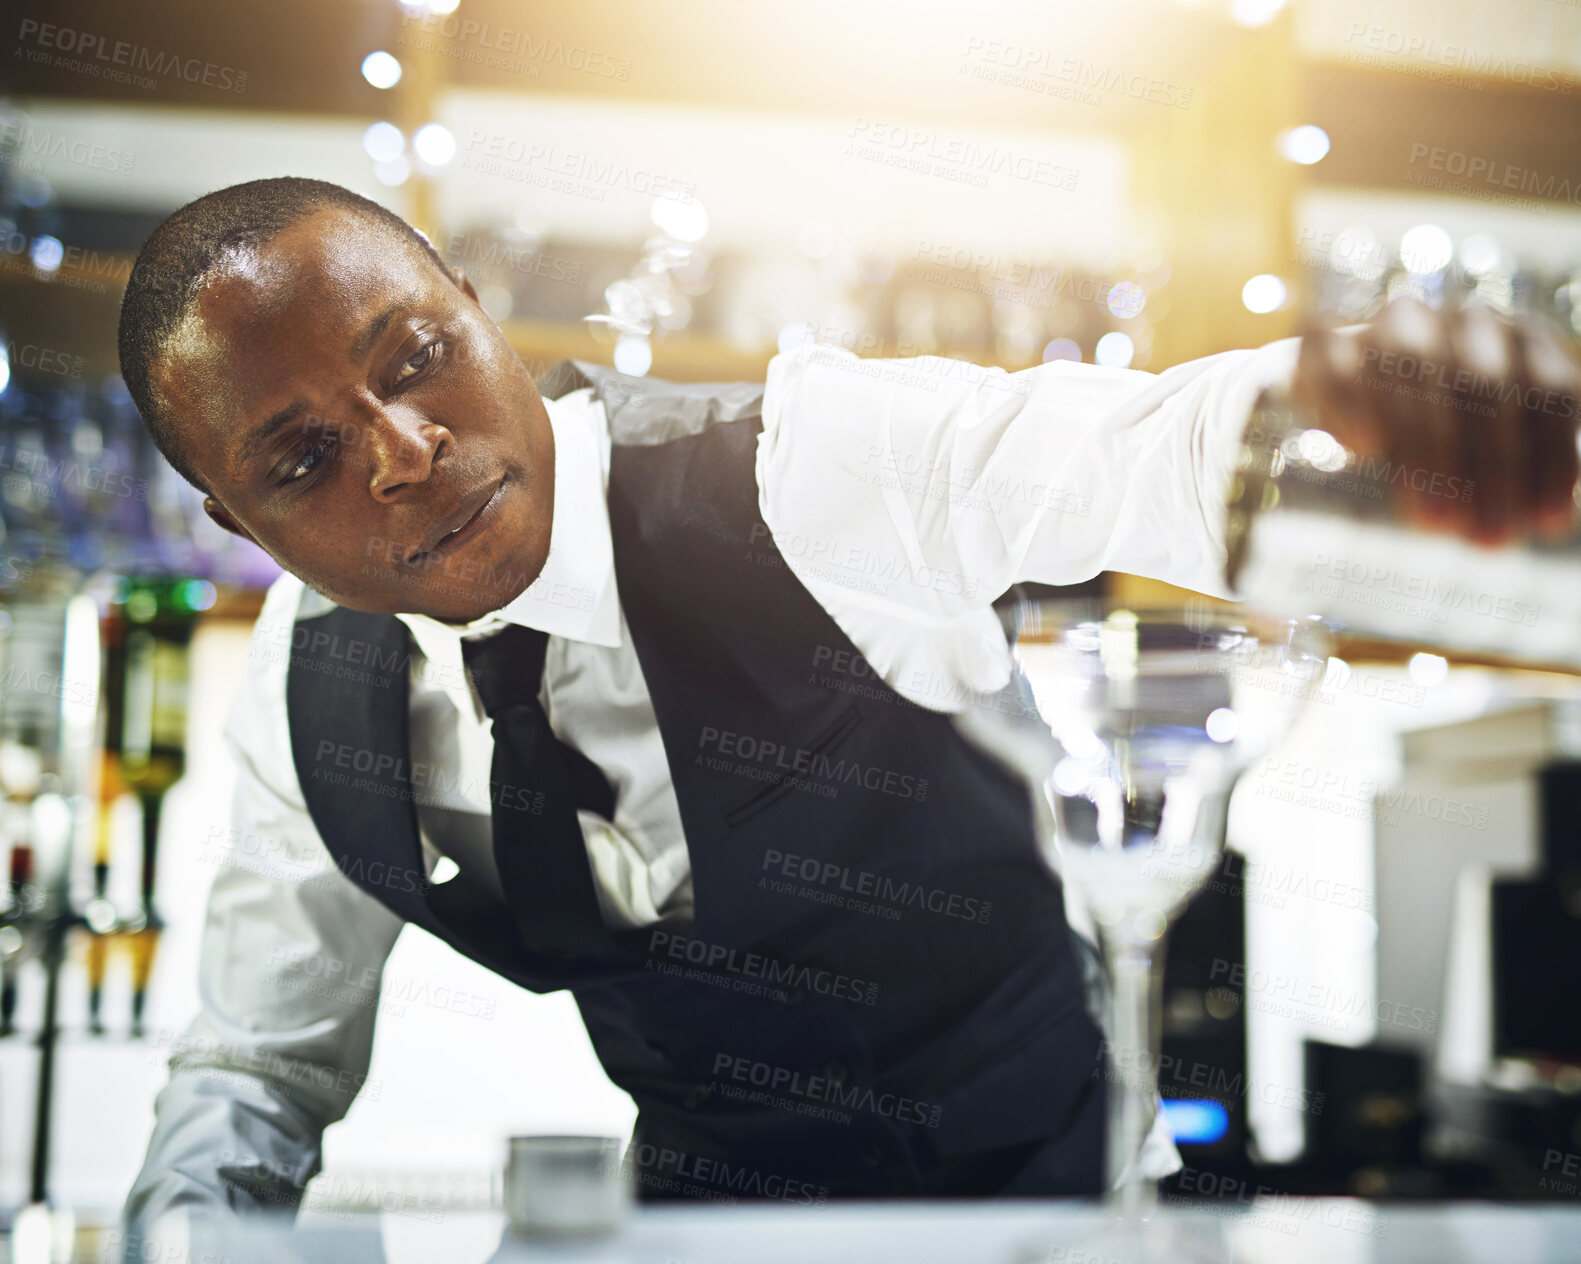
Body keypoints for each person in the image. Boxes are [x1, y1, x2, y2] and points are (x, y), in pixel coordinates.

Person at [118, 176, 1577, 1221]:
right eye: (300, 459)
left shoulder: (806, 462)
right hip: (706, 1226)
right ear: (241, 528)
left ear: (477, 309)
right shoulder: (310, 701)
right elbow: (260, 1061)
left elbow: (1150, 447)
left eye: (416, 358)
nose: (399, 451)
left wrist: (1358, 400)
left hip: (1043, 1212)